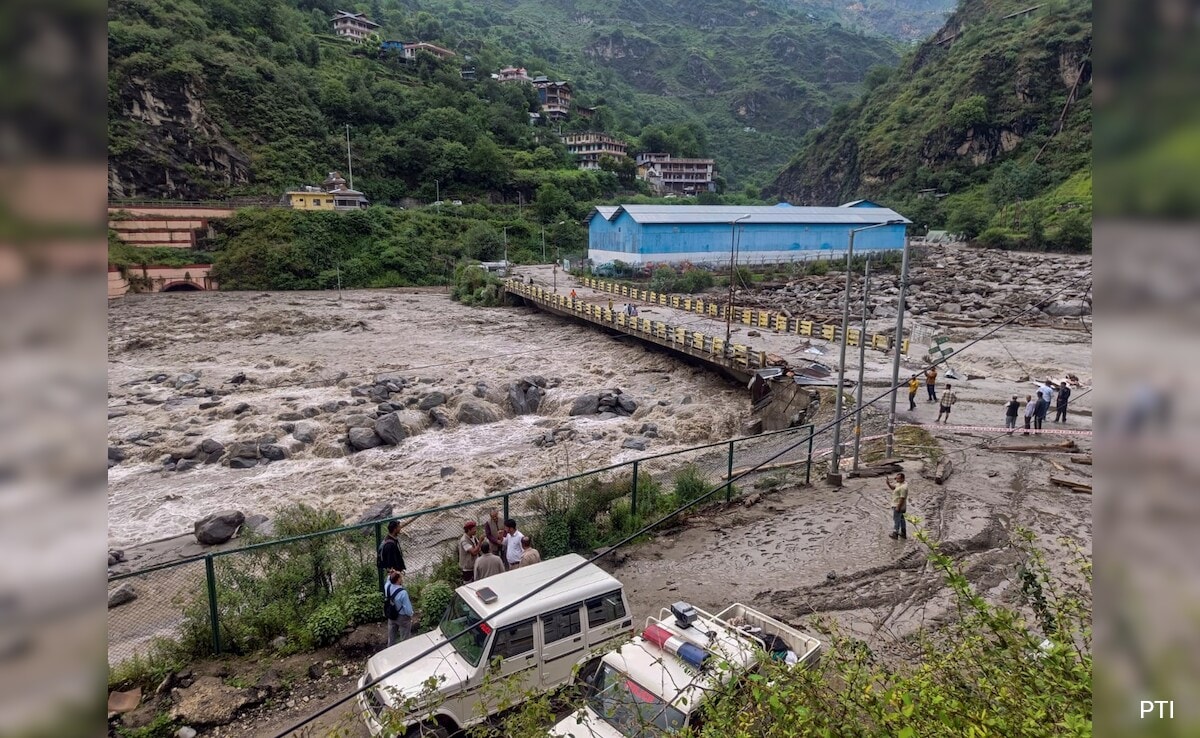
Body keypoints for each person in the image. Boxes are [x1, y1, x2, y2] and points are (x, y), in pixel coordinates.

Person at [384, 570, 414, 647]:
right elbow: (408, 610)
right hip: (402, 617)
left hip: (391, 615)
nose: (402, 579)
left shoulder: (387, 586)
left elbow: (388, 579)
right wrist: (411, 614)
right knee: (405, 638)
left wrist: (391, 574)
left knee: (391, 637)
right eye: (401, 577)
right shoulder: (403, 593)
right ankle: (405, 650)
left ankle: (390, 649)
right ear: (398, 580)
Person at [885, 473, 908, 540]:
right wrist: (888, 484)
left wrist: (898, 507)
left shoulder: (903, 487)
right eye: (896, 478)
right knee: (901, 519)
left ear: (902, 479)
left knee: (896, 519)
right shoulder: (899, 484)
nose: (896, 480)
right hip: (899, 505)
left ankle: (895, 534)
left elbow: (902, 498)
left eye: (898, 478)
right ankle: (903, 533)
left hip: (898, 505)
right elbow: (893, 488)